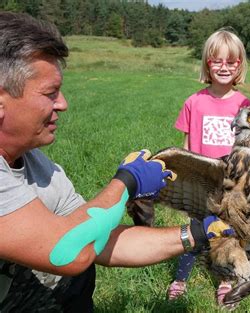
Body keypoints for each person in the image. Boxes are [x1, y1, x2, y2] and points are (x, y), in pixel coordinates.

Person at [0, 12, 232, 312]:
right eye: (50, 93)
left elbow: (98, 239)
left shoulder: (38, 167)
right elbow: (67, 252)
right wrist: (126, 182)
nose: (63, 103)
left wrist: (198, 233)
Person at [169, 28, 250, 305]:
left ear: (240, 64)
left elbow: (248, 149)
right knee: (195, 231)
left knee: (227, 234)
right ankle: (180, 279)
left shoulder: (244, 104)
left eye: (231, 62)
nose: (224, 67)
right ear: (207, 63)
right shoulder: (194, 102)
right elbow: (185, 148)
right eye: (217, 61)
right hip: (201, 185)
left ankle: (225, 281)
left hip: (230, 187)